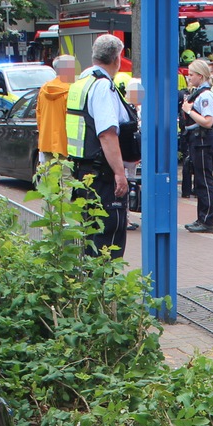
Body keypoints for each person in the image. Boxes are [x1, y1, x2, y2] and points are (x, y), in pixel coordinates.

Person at [65, 34, 136, 258]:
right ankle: (106, 291)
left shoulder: (80, 84)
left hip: (83, 173)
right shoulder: (103, 86)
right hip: (103, 175)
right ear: (117, 58)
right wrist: (119, 174)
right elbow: (107, 134)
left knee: (90, 237)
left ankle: (91, 289)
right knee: (108, 240)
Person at [181, 58, 213, 233]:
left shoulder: (206, 96)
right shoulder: (199, 93)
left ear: (200, 75)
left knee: (204, 180)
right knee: (200, 180)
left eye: (191, 75)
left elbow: (208, 121)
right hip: (196, 139)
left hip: (203, 139)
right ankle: (201, 218)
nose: (189, 78)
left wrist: (189, 111)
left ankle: (207, 220)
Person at [36, 54, 76, 163]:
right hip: (65, 144)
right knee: (66, 177)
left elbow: (39, 116)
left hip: (46, 142)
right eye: (72, 68)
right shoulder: (70, 91)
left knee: (50, 177)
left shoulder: (43, 90)